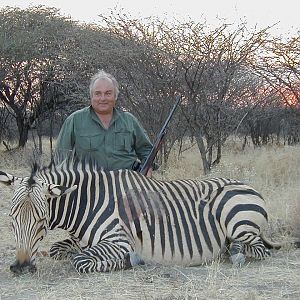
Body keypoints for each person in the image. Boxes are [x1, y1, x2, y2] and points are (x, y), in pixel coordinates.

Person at [55, 70, 153, 176]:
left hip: (126, 184)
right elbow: (61, 157)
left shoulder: (129, 120)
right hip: (88, 185)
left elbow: (146, 150)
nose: (103, 98)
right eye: (98, 94)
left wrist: (148, 168)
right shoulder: (74, 120)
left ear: (115, 96)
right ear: (91, 96)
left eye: (108, 93)